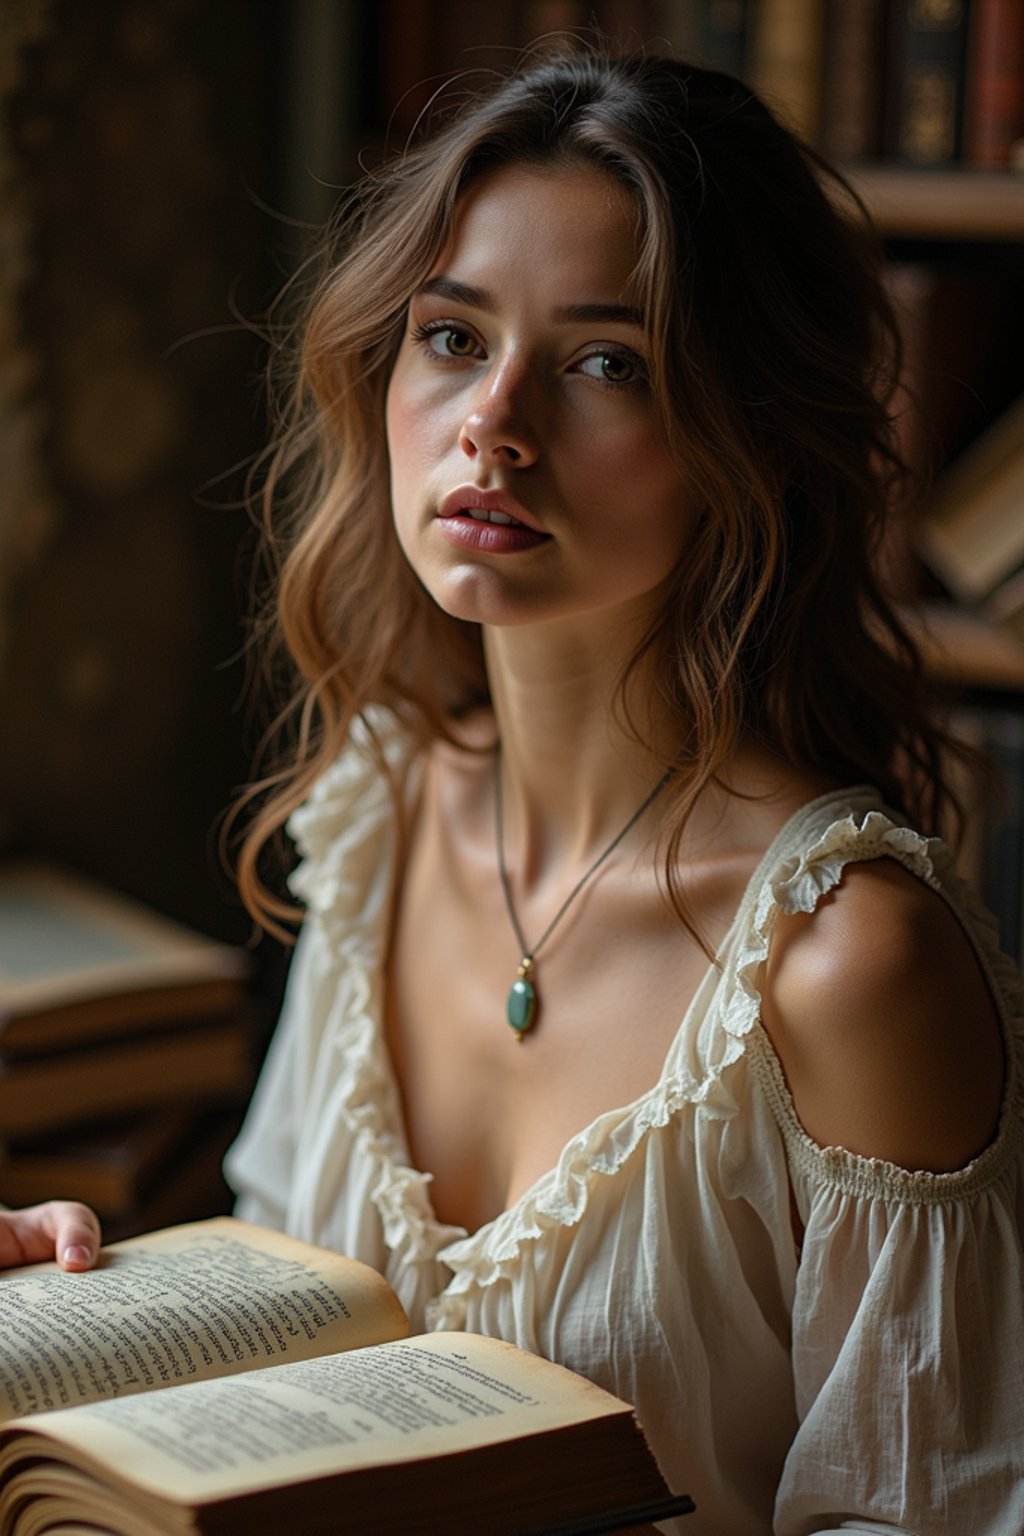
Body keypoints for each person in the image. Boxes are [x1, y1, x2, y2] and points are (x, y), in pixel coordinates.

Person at [5, 45, 1022, 1536]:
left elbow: (932, 1505)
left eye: (607, 360)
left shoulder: (847, 966)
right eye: (452, 336)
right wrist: (98, 1306)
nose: (496, 421)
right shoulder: (383, 808)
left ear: (746, 437)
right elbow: (302, 1321)